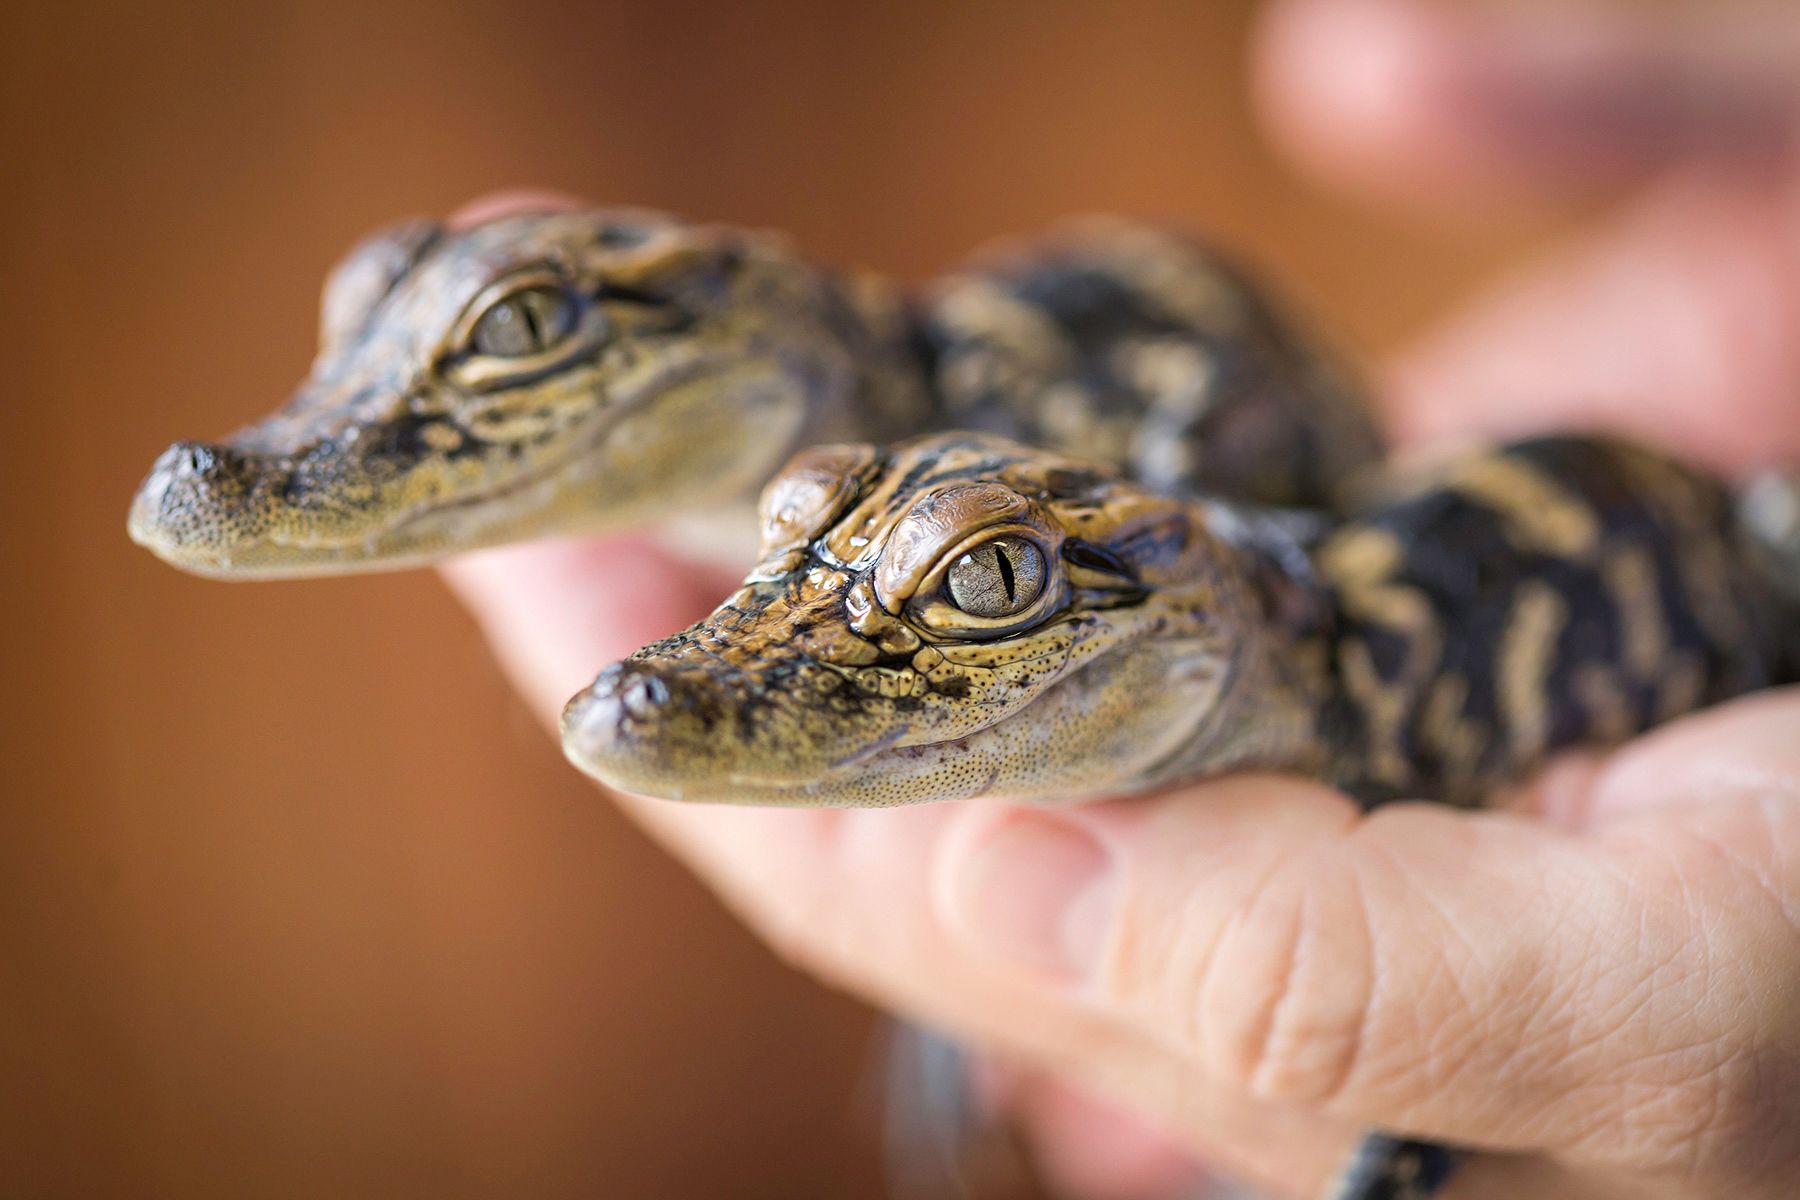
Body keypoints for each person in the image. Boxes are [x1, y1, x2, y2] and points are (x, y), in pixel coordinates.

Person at [443, 2, 1800, 1195]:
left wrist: (1413, 1112)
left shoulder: (1382, 729)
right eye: (796, 529)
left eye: (980, 585)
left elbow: (1504, 989)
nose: (678, 679)